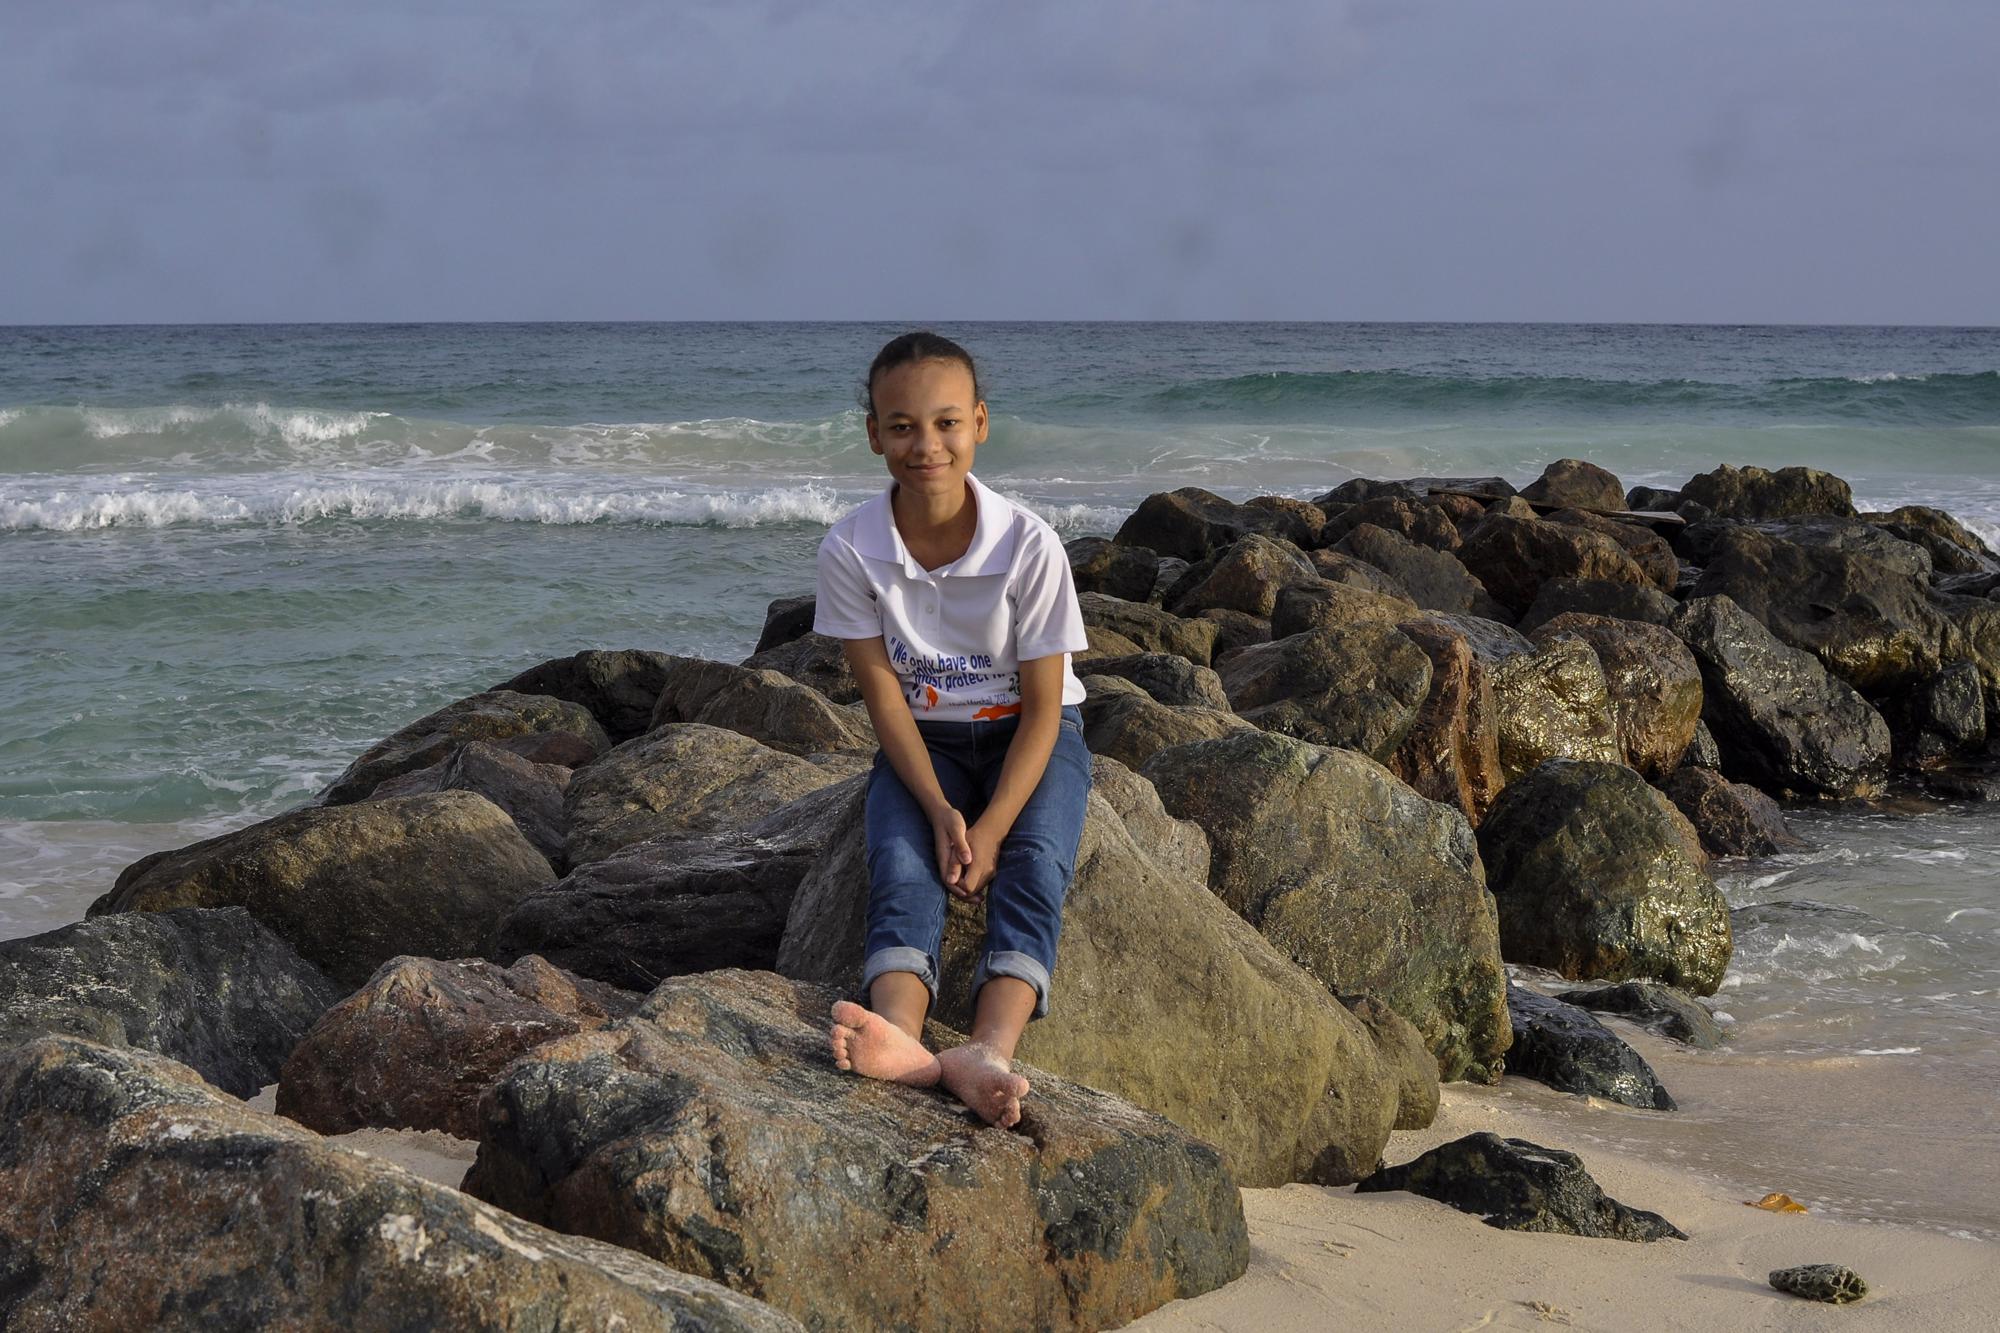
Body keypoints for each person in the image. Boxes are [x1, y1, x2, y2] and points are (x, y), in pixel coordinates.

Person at [814, 330, 1093, 1129]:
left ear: (978, 423)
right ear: (874, 434)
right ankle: (901, 1033)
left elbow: (1046, 707)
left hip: (1027, 733)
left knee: (1036, 864)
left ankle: (988, 1049)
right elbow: (883, 697)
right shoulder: (851, 547)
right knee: (902, 863)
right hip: (925, 737)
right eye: (901, 426)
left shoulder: (1027, 545)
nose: (925, 444)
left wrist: (994, 827)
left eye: (945, 423)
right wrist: (940, 812)